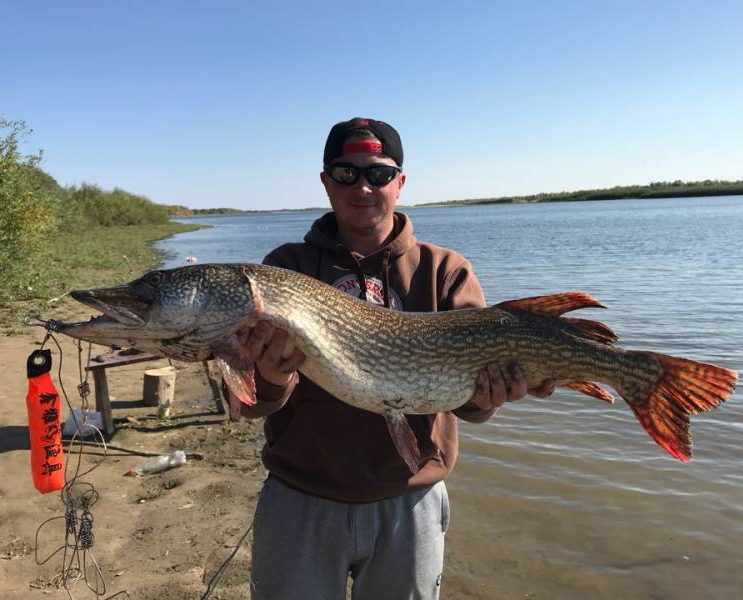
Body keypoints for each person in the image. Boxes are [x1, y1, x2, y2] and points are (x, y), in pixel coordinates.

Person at [236, 117, 554, 600]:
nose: (362, 187)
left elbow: (470, 406)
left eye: (379, 174)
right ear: (325, 181)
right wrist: (271, 377)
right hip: (301, 500)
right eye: (346, 173)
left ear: (400, 183)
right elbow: (250, 403)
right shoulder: (285, 269)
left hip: (411, 502)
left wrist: (489, 397)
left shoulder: (446, 270)